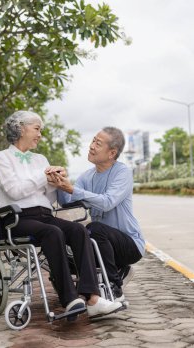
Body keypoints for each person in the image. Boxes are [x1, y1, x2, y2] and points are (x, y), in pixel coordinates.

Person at [0, 111, 123, 319]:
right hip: (15, 219)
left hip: (44, 215)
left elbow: (51, 198)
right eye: (36, 129)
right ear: (21, 128)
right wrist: (43, 176)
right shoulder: (1, 159)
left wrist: (58, 181)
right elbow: (15, 191)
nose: (40, 135)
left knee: (78, 230)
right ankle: (69, 299)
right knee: (52, 232)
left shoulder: (40, 159)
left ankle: (93, 298)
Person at [46, 126, 145, 303]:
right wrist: (60, 183)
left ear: (111, 153)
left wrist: (72, 188)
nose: (91, 146)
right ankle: (116, 271)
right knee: (71, 252)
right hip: (102, 243)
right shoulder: (87, 176)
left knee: (94, 228)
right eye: (93, 140)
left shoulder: (122, 172)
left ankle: (115, 288)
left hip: (129, 244)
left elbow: (107, 203)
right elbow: (68, 201)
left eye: (98, 144)